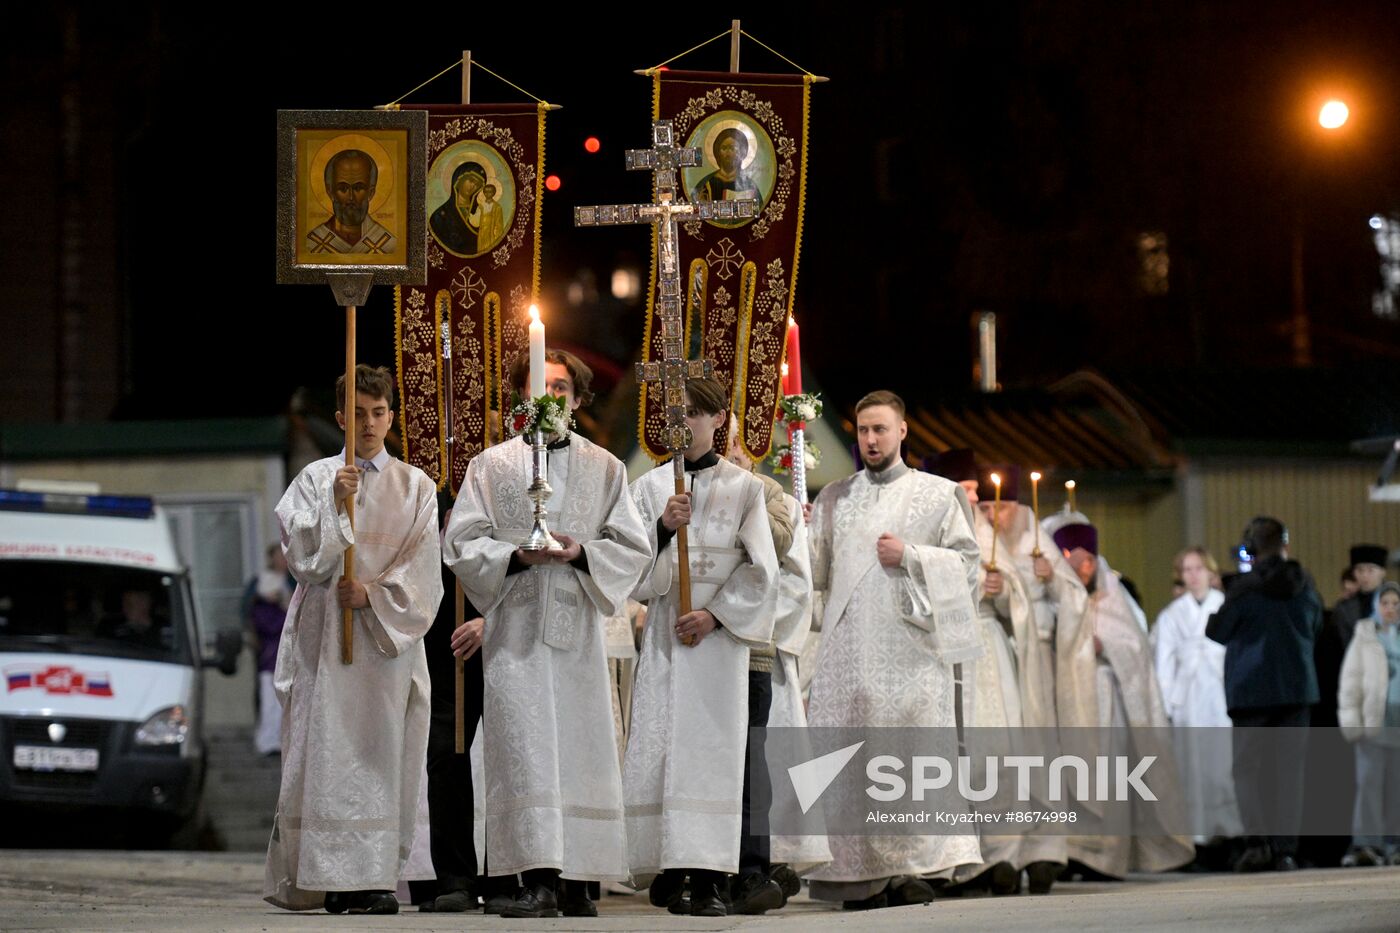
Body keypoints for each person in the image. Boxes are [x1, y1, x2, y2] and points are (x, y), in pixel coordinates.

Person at [443, 349, 652, 919]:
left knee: (580, 752)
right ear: (518, 395)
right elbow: (460, 540)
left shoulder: (607, 467)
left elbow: (635, 545)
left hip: (580, 636)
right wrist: (514, 555)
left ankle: (577, 882)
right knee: (525, 753)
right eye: (539, 386)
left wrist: (581, 551)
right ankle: (535, 877)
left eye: (561, 388)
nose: (550, 398)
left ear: (579, 399)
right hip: (514, 637)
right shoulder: (491, 466)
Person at [264, 365, 441, 914]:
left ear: (392, 416)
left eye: (379, 412)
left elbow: (423, 569)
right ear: (340, 417)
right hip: (326, 643)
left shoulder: (417, 486)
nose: (369, 424)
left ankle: (379, 880)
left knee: (385, 755)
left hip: (386, 644)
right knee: (330, 756)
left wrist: (372, 595)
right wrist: (333, 505)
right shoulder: (316, 479)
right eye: (358, 413)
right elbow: (300, 555)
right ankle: (334, 879)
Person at [803, 391, 983, 910]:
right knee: (850, 760)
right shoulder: (835, 496)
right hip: (845, 655)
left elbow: (967, 568)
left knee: (909, 758)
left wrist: (911, 556)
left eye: (880, 429)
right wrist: (799, 527)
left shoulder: (939, 494)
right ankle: (857, 877)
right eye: (862, 431)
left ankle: (911, 871)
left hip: (911, 653)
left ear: (903, 431)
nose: (870, 440)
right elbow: (814, 578)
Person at [626, 376, 779, 919]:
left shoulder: (745, 489)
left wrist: (715, 615)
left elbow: (764, 572)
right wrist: (664, 531)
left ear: (719, 419)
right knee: (670, 756)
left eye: (695, 412)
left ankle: (712, 879)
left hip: (718, 649)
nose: (684, 422)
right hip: (668, 640)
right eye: (676, 412)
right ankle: (674, 869)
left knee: (715, 760)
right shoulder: (647, 489)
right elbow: (630, 575)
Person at [943, 464, 1071, 896]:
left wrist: (1003, 589)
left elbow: (1018, 591)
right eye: (969, 490)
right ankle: (962, 859)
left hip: (996, 652)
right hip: (943, 651)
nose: (978, 501)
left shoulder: (993, 530)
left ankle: (1008, 853)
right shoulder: (935, 520)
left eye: (981, 492)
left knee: (1000, 748)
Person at [1048, 515, 1194, 879]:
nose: (1081, 569)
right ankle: (1069, 855)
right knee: (1067, 774)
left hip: (1104, 697)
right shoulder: (1053, 593)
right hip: (1063, 698)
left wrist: (1106, 644)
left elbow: (1134, 644)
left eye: (1086, 561)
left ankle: (1107, 858)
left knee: (1109, 775)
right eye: (1072, 560)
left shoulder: (1114, 592)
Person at [1206, 516, 1322, 873]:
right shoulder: (1306, 584)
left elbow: (1218, 632)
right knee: (1290, 773)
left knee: (1248, 772)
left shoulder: (1244, 588)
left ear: (1252, 550)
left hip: (1251, 691)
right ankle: (1286, 850)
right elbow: (1316, 624)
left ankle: (1257, 845)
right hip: (1296, 689)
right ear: (1285, 546)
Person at [720, 416, 798, 915]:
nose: (729, 450)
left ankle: (751, 868)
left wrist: (741, 487)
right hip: (694, 648)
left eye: (736, 441)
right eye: (722, 441)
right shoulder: (686, 486)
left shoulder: (768, 491)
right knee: (703, 757)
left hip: (751, 648)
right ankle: (698, 867)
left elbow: (778, 544)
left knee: (751, 761)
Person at [1153, 547, 1242, 852]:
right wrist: (1165, 706)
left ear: (1210, 572)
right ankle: (1197, 839)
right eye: (1186, 570)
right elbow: (1163, 663)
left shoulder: (1225, 606)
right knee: (1190, 769)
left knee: (1222, 766)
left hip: (1219, 695)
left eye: (1197, 568)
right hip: (1188, 699)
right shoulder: (1171, 616)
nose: (1192, 575)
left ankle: (1229, 833)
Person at [1337, 581, 1400, 866]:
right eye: (1385, 603)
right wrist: (1351, 722)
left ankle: (1394, 843)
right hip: (1374, 723)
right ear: (1376, 605)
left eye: (1396, 604)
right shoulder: (1364, 636)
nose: (1390, 609)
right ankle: (1366, 843)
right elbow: (1350, 682)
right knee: (1369, 784)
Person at [246, 545, 294, 757]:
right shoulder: (262, 604)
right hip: (270, 655)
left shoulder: (294, 582)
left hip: (290, 654)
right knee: (270, 701)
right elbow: (259, 619)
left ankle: (282, 741)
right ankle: (268, 740)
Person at [305, 149, 398, 255]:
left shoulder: (388, 245)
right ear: (330, 192)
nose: (350, 197)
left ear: (371, 192)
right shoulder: (311, 245)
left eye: (358, 188)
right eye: (343, 189)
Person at [690, 127, 762, 210]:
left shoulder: (749, 185)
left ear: (742, 153)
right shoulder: (706, 184)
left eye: (732, 148)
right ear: (718, 152)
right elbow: (694, 210)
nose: (728, 153)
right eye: (724, 148)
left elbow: (758, 211)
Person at [1334, 544, 1390, 648]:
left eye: (1370, 570)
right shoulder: (1344, 607)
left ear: (1382, 572)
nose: (1365, 575)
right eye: (1360, 570)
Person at [430, 160, 488, 257]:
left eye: (477, 184)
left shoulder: (480, 211)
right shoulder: (441, 213)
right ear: (459, 179)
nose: (473, 186)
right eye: (471, 181)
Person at [477, 183, 506, 254]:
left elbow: (499, 224)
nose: (488, 194)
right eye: (486, 192)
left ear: (494, 193)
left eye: (490, 192)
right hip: (482, 233)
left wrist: (497, 238)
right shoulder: (481, 206)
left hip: (491, 234)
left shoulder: (497, 207)